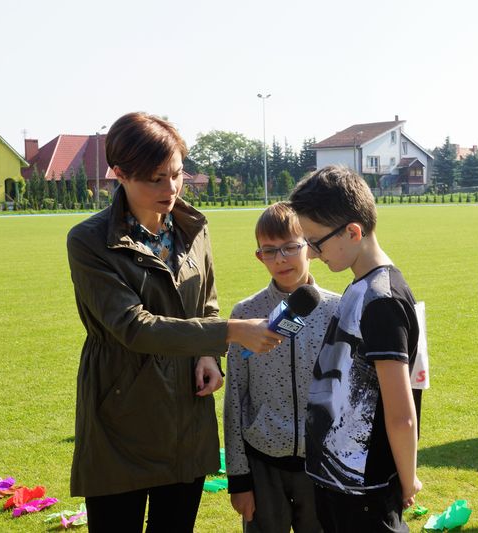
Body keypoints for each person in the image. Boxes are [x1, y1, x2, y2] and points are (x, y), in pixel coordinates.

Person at [66, 112, 283, 532]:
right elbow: (134, 327)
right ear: (119, 174)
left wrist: (207, 354)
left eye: (177, 174)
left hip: (186, 412)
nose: (170, 189)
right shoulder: (89, 241)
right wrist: (230, 333)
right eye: (155, 179)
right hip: (121, 411)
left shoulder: (192, 227)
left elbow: (207, 302)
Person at [289, 165, 421, 533]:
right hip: (338, 483)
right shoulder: (360, 287)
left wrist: (407, 479)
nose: (310, 254)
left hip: (365, 491)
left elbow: (401, 413)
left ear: (353, 232)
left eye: (316, 242)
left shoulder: (383, 301)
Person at [224, 202, 340, 533]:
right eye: (270, 250)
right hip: (262, 464)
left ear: (311, 248)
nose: (280, 259)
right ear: (259, 256)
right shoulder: (245, 313)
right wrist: (238, 478)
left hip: (321, 465)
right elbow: (235, 399)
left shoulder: (337, 310)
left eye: (290, 247)